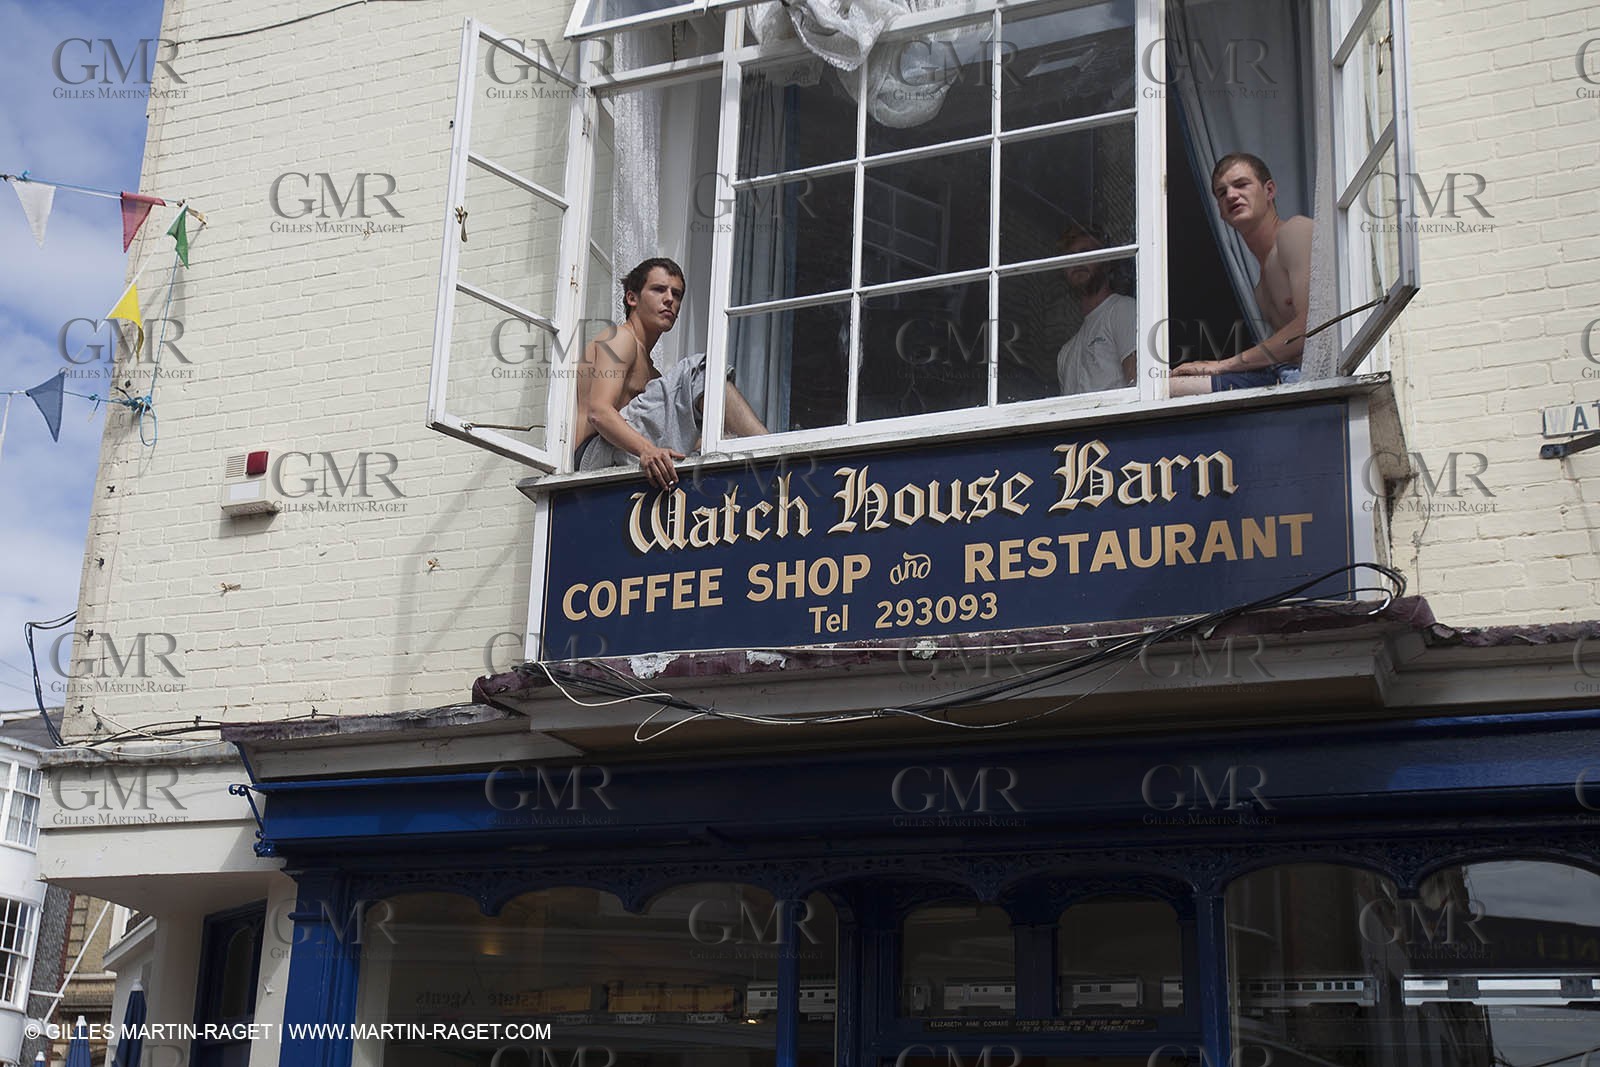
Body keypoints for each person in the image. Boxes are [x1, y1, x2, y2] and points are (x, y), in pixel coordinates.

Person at [574, 257, 769, 489]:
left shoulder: (653, 376)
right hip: (594, 457)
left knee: (715, 439)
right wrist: (646, 450)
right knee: (700, 373)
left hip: (623, 462)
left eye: (676, 294)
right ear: (632, 298)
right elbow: (599, 412)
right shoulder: (619, 338)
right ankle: (774, 454)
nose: (669, 299)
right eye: (659, 289)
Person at [1170, 152, 1312, 395]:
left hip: (1311, 381)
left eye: (1241, 184)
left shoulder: (1295, 232)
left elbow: (1311, 327)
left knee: (1172, 388)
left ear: (1269, 190)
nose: (1231, 195)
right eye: (1222, 192)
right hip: (1285, 378)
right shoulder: (1261, 287)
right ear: (1220, 211)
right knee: (1167, 387)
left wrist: (1222, 366)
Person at [1055, 225, 1138, 396]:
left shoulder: (1123, 310)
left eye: (1086, 253)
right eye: (1070, 257)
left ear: (1106, 263)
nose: (1077, 262)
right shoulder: (1065, 353)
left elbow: (1139, 385)